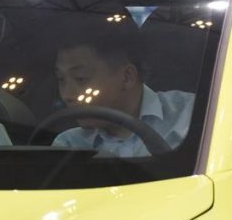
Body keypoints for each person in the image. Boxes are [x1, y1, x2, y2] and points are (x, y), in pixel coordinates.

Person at [50, 26, 195, 157]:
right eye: (61, 79)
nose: (67, 95)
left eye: (81, 78)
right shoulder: (69, 146)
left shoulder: (194, 116)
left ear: (127, 77)